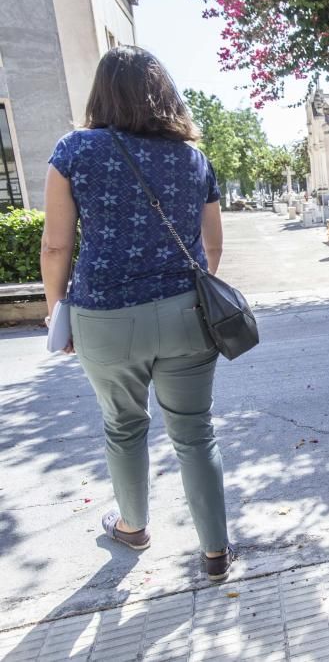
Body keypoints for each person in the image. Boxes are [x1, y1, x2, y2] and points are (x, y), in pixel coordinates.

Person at [40, 46, 232, 581]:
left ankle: (132, 526)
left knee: (123, 426)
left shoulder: (75, 150)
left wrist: (61, 313)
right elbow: (212, 245)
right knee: (195, 432)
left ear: (102, 92)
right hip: (188, 314)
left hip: (104, 315)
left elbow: (56, 248)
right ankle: (215, 552)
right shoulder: (193, 158)